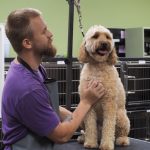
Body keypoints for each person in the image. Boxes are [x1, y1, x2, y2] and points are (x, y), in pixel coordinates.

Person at [2, 8, 105, 150]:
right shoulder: (27, 88)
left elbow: (46, 106)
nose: (51, 34)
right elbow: (61, 136)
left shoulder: (33, 68)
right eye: (44, 32)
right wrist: (86, 102)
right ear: (27, 43)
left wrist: (84, 121)